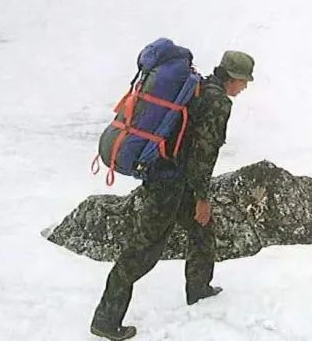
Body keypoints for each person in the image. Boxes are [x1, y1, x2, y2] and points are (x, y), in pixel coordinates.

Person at [90, 50, 256, 341]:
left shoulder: (200, 86)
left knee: (202, 230)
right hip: (169, 183)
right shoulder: (217, 102)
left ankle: (199, 289)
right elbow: (204, 154)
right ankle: (106, 319)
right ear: (234, 78)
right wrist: (202, 198)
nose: (245, 87)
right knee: (144, 250)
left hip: (173, 178)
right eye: (244, 82)